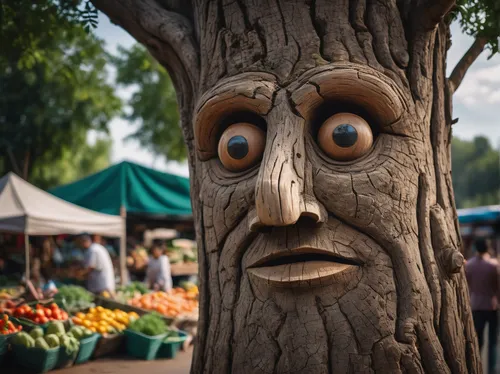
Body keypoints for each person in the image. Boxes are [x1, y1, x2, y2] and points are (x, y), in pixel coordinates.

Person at [465, 238, 499, 374]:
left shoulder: (469, 265)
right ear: (488, 248)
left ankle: (475, 367)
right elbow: (498, 287)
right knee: (492, 341)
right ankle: (491, 369)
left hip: (475, 305)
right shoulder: (494, 265)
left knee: (477, 340)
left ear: (475, 248)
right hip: (492, 306)